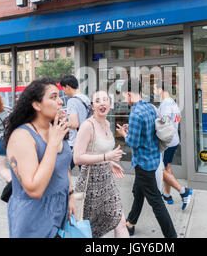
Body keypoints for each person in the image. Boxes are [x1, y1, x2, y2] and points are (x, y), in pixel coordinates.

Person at [4, 78, 73, 238]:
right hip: (34, 216)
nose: (60, 102)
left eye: (59, 96)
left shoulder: (54, 128)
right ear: (36, 105)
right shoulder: (22, 136)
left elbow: (63, 165)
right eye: (53, 97)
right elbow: (34, 189)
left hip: (60, 208)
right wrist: (53, 143)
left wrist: (70, 195)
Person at [116, 78, 177, 238]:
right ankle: (130, 223)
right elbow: (148, 132)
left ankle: (172, 236)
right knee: (138, 192)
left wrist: (124, 134)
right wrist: (133, 130)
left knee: (156, 203)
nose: (124, 100)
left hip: (143, 164)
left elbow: (133, 143)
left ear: (129, 93)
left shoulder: (135, 113)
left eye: (124, 96)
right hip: (152, 158)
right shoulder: (150, 107)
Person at [73, 90, 129, 238]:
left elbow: (97, 150)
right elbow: (77, 158)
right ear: (92, 106)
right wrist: (106, 156)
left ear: (110, 104)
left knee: (120, 221)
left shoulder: (107, 123)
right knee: (89, 230)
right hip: (90, 184)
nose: (102, 103)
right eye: (98, 100)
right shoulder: (87, 125)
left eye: (105, 100)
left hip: (108, 182)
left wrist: (109, 162)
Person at [153, 83, 193, 210]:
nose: (153, 91)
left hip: (167, 142)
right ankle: (167, 194)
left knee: (161, 170)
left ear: (161, 89)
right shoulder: (173, 103)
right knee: (167, 168)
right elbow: (177, 119)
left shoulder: (165, 104)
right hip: (174, 140)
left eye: (154, 88)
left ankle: (183, 191)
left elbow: (162, 125)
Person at [60, 75, 91, 169]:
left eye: (63, 89)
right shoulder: (85, 99)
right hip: (85, 139)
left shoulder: (72, 101)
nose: (64, 92)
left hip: (75, 142)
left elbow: (75, 124)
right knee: (84, 169)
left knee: (64, 169)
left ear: (68, 87)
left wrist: (63, 123)